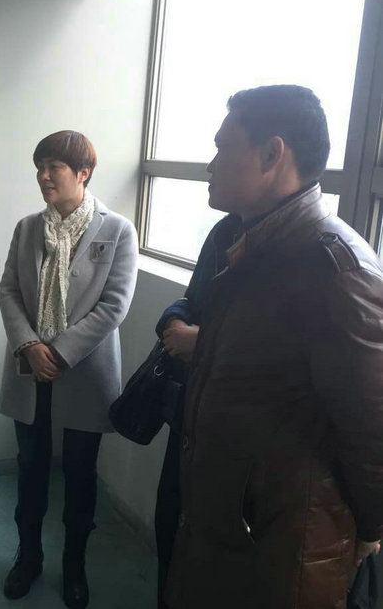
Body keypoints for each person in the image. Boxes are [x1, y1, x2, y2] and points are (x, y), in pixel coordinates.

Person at [165, 85, 383, 609]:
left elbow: (372, 426)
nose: (210, 165)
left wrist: (370, 529)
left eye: (222, 147)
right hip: (234, 527)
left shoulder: (335, 270)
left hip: (282, 546)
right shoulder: (255, 246)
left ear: (271, 154)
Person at [0, 130, 138, 608]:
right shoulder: (27, 228)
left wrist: (59, 352)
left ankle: (74, 565)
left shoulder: (117, 230)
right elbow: (8, 290)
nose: (43, 176)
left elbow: (114, 305)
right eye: (39, 167)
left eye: (53, 166)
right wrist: (29, 345)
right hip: (30, 369)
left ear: (83, 173)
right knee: (30, 466)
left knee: (80, 471)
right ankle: (29, 557)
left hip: (85, 371)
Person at [151, 213, 240, 609]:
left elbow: (282, 346)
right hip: (190, 408)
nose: (208, 180)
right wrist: (174, 319)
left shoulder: (305, 245)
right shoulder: (225, 230)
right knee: (170, 520)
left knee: (220, 552)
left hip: (240, 432)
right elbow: (195, 298)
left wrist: (202, 342)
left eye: (223, 148)